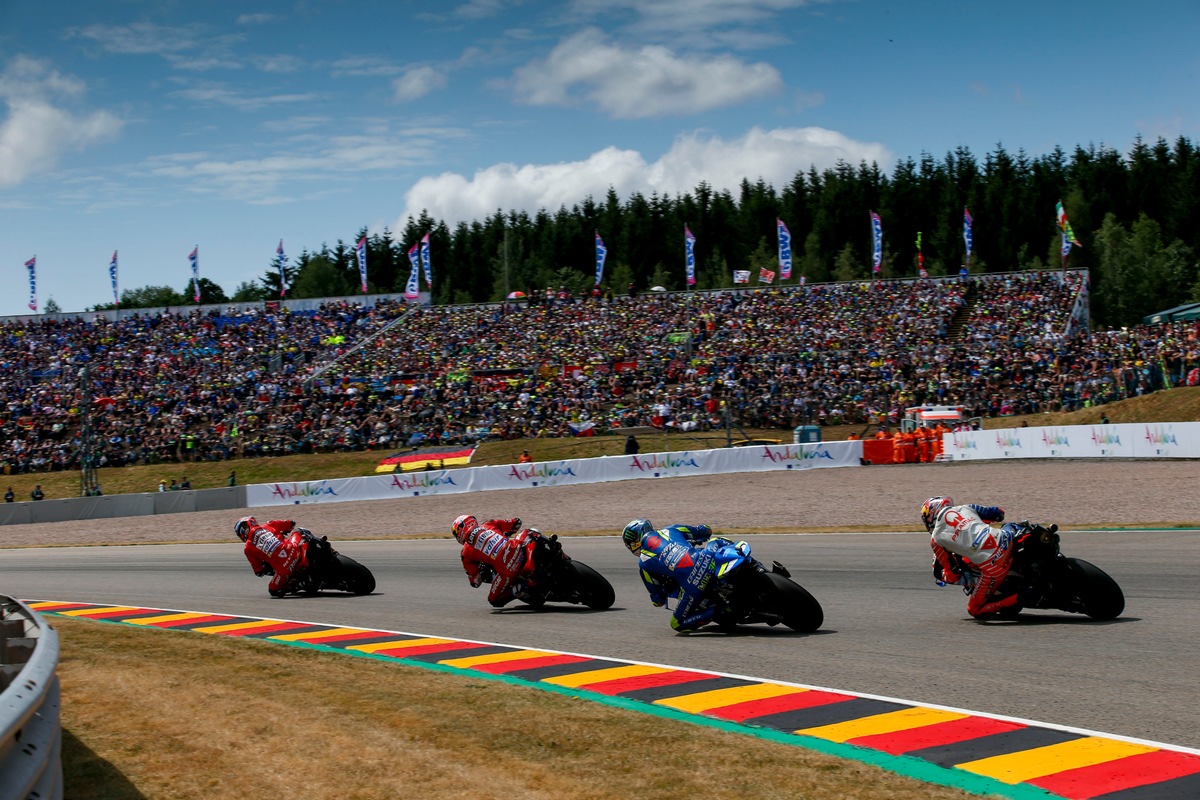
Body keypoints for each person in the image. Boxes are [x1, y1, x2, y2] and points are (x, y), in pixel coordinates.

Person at [622, 518, 749, 632]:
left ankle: (718, 610)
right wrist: (702, 534)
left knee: (677, 624)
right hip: (707, 556)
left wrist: (657, 601)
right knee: (719, 541)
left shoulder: (643, 562)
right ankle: (750, 565)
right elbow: (704, 530)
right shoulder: (671, 529)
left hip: (693, 584)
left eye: (632, 543)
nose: (633, 547)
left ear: (637, 540)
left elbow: (657, 598)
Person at [922, 496, 1018, 618]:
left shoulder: (936, 539)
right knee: (1011, 526)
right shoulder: (966, 507)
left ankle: (1021, 596)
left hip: (994, 564)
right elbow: (998, 513)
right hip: (1006, 538)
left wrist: (948, 576)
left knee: (974, 610)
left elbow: (952, 574)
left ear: (931, 513)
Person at [452, 514, 538, 608]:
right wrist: (506, 533)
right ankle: (532, 558)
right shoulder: (489, 523)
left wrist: (479, 576)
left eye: (456, 532)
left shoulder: (465, 553)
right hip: (517, 548)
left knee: (494, 600)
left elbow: (475, 582)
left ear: (461, 529)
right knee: (528, 532)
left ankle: (520, 588)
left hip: (507, 571)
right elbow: (516, 523)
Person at [235, 515, 311, 598]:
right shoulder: (268, 524)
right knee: (299, 531)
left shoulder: (248, 548)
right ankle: (306, 551)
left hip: (285, 569)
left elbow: (258, 571)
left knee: (273, 590)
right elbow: (291, 523)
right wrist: (285, 530)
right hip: (295, 550)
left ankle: (299, 584)